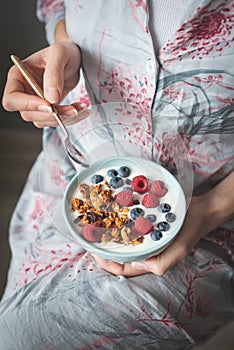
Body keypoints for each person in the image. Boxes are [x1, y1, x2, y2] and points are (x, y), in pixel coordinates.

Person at [0, 0, 233, 349]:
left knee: (22, 336)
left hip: (211, 210)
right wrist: (67, 47)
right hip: (68, 175)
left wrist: (214, 207)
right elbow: (56, 6)